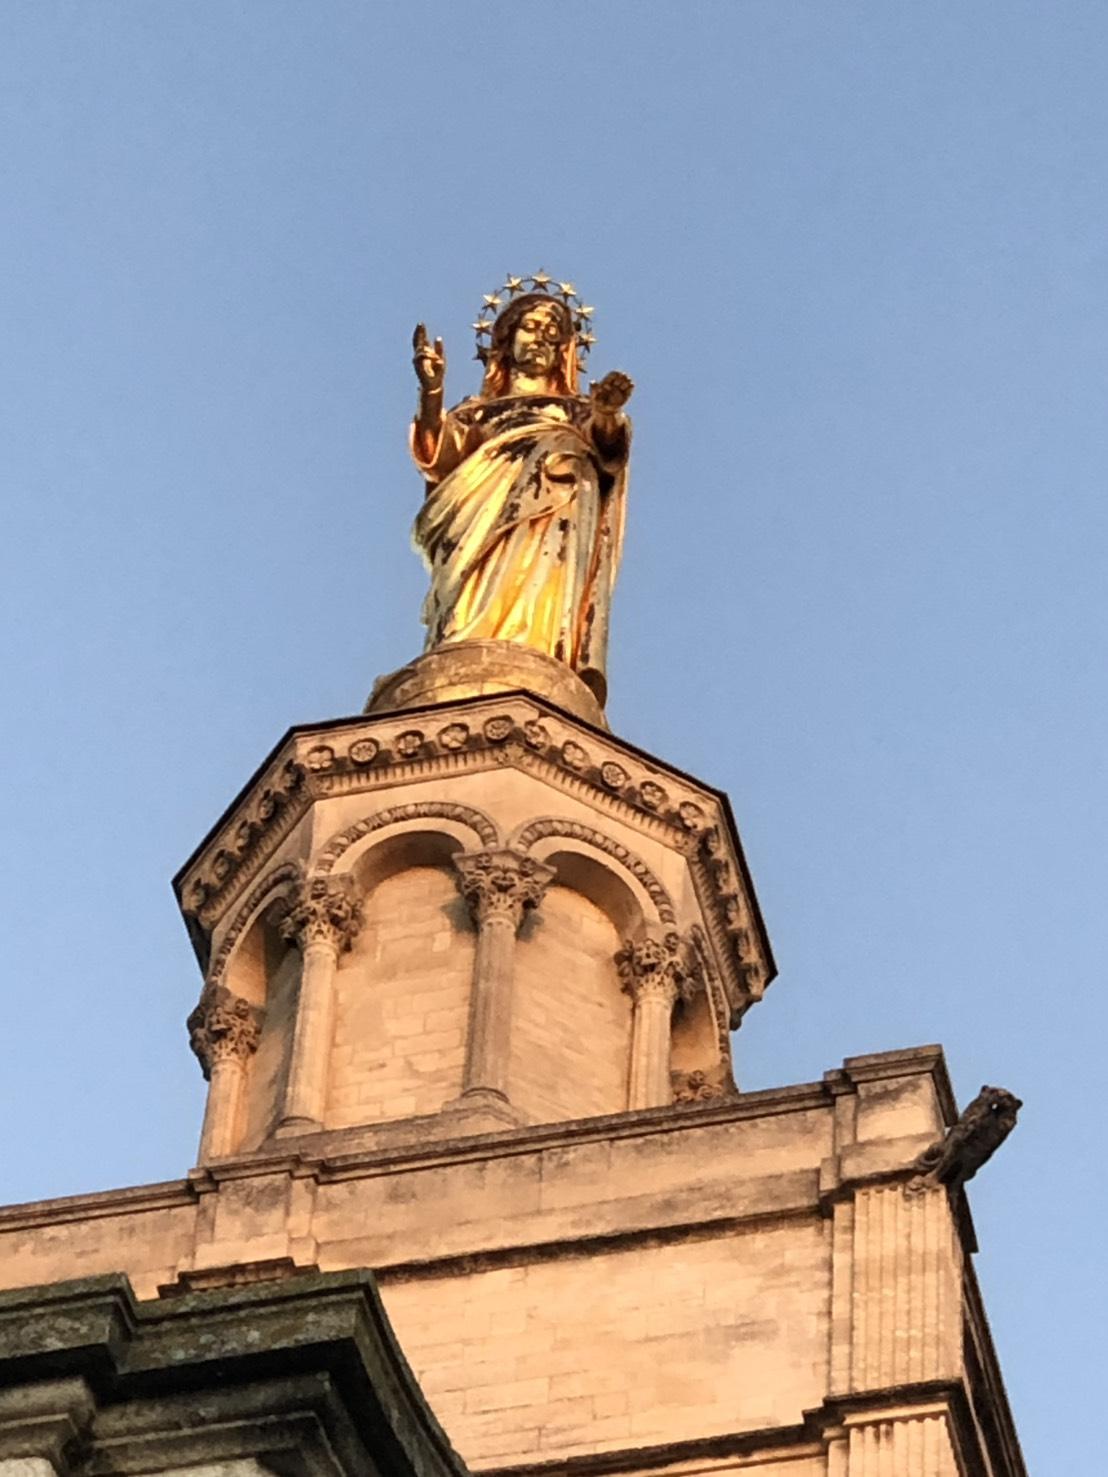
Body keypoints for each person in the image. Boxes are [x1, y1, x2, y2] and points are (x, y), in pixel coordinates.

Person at [409, 290, 633, 707]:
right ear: (505, 341)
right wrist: (432, 393)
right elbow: (439, 458)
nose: (540, 339)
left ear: (564, 351)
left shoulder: (574, 412)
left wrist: (605, 414)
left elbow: (609, 451)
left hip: (557, 508)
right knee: (467, 597)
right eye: (530, 327)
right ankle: (465, 641)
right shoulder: (475, 412)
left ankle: (538, 649)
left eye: (552, 333)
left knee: (541, 582)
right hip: (478, 513)